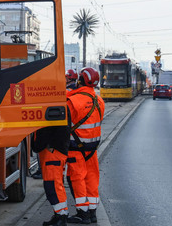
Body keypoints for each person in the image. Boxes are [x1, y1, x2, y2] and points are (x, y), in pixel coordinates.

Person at [65, 67, 105, 224]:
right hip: (92, 149)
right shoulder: (99, 100)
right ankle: (93, 212)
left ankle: (83, 212)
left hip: (76, 148)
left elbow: (65, 125)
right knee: (92, 178)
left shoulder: (72, 101)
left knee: (77, 179)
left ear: (80, 80)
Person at [33, 72, 73, 225]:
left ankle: (61, 216)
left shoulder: (53, 106)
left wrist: (37, 146)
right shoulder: (59, 103)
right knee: (53, 184)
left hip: (53, 152)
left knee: (53, 185)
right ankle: (58, 214)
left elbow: (45, 131)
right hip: (55, 151)